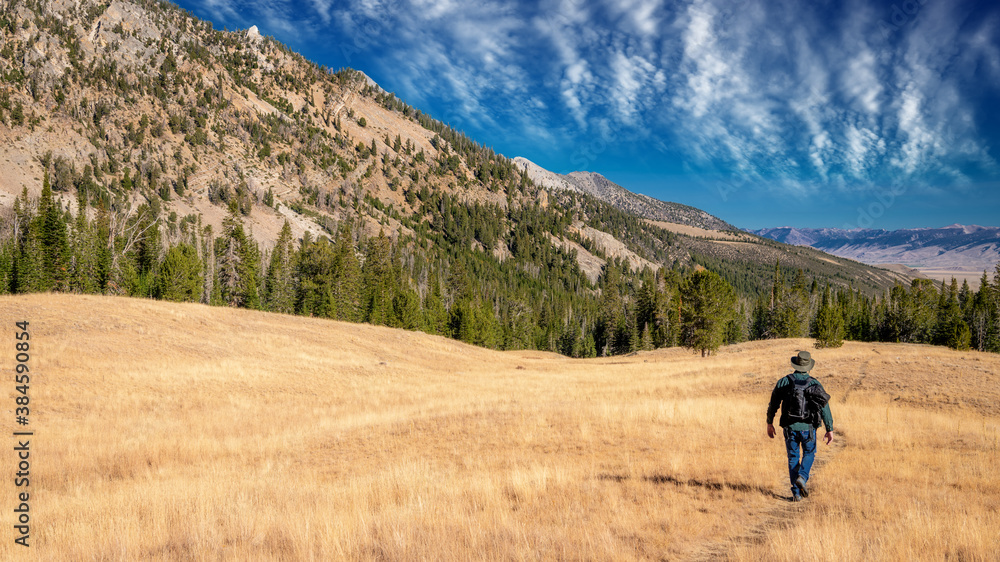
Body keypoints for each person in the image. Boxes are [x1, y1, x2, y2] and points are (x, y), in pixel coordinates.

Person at [766, 350, 833, 502]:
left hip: (790, 428)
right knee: (809, 453)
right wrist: (829, 429)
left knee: (793, 457)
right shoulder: (814, 383)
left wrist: (769, 422)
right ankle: (802, 477)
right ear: (809, 367)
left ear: (795, 364)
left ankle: (796, 493)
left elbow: (773, 404)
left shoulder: (784, 381)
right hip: (809, 428)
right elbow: (824, 407)